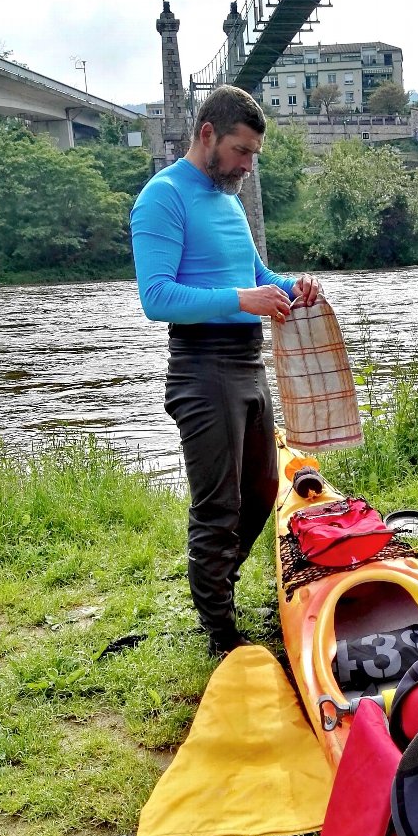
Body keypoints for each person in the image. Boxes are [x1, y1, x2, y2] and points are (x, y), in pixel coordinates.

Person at [130, 85, 321, 657]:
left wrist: (292, 287)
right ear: (207, 134)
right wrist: (243, 299)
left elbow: (254, 270)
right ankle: (220, 636)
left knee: (263, 490)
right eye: (242, 151)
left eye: (254, 154)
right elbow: (157, 297)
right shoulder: (162, 198)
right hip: (202, 367)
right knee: (218, 506)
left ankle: (216, 588)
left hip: (247, 363)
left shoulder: (228, 198)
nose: (247, 164)